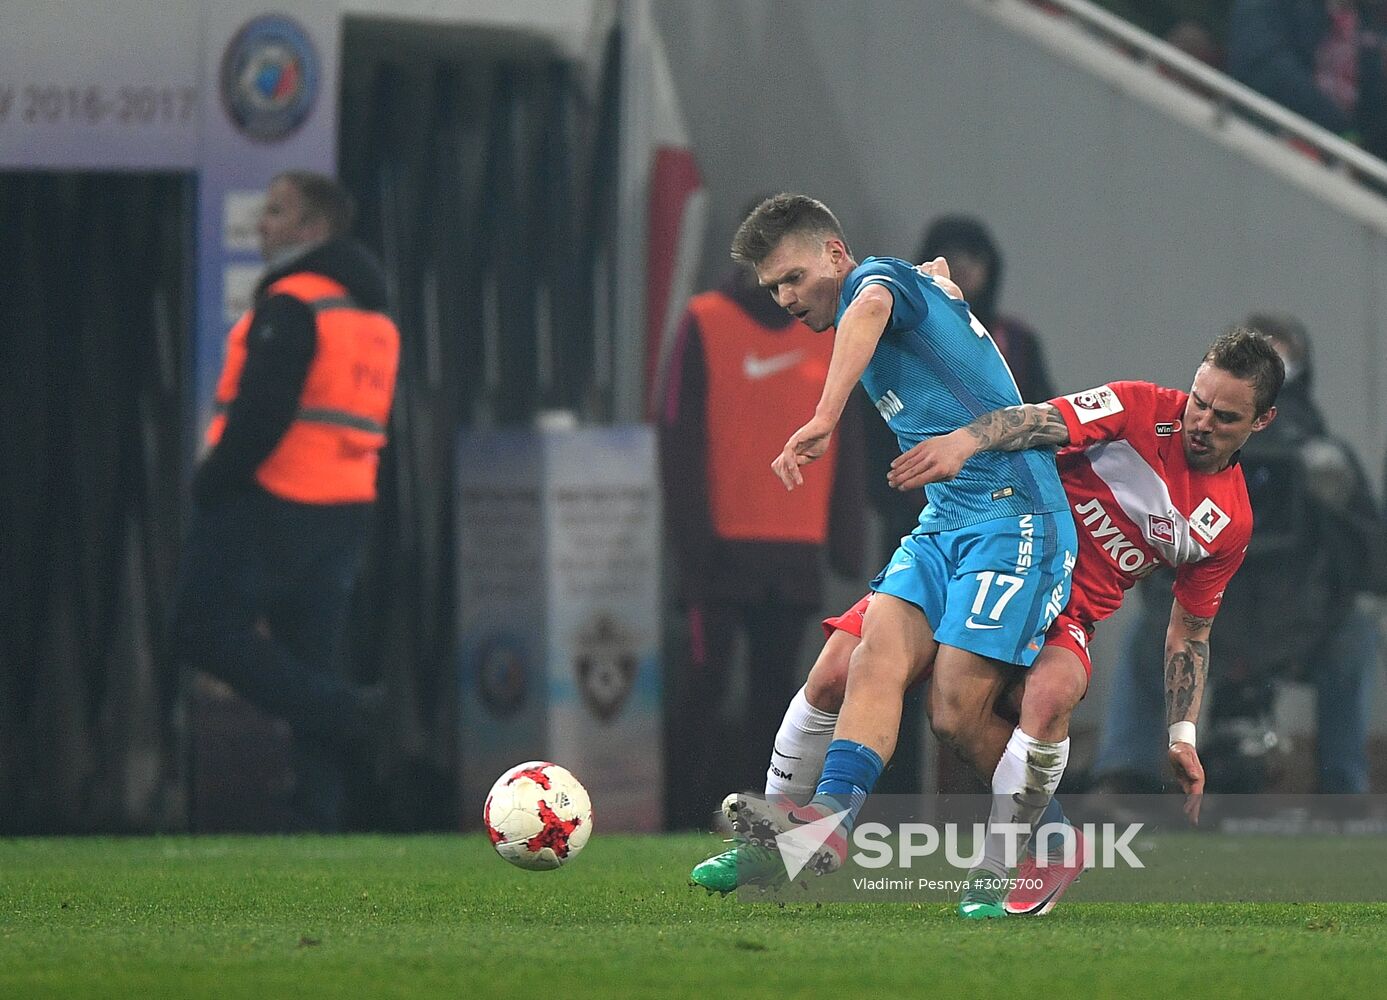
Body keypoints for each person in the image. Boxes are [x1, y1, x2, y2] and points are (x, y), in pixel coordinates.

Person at [696, 324, 1284, 917]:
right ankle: (776, 842)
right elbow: (1036, 420)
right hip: (989, 543)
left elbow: (1190, 631)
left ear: (1261, 421)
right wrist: (964, 441)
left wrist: (1182, 735)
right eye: (1199, 402)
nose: (1201, 422)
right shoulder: (1139, 408)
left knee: (1021, 701)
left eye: (1225, 417)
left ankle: (1017, 859)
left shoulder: (1228, 523)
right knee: (833, 674)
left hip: (1066, 609)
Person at [716, 194, 1078, 920]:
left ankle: (1055, 840)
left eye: (793, 278)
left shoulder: (876, 281)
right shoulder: (903, 288)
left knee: (954, 712)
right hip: (945, 522)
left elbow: (874, 301)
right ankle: (822, 822)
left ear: (835, 254)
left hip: (1015, 518)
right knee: (868, 655)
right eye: (773, 289)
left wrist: (824, 415)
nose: (786, 299)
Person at [171, 171, 399, 831]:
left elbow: (262, 413)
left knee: (199, 628)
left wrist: (212, 481)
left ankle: (347, 711)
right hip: (345, 506)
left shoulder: (294, 302)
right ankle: (318, 813)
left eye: (276, 211)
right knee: (309, 654)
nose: (261, 224)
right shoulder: (372, 315)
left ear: (313, 228)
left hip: (274, 497)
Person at [1092, 314, 1382, 794]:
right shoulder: (1187, 446)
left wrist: (1332, 503)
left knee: (1355, 635)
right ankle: (1123, 777)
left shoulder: (1327, 456)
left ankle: (1343, 790)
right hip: (1213, 617)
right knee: (1147, 634)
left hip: (1298, 623)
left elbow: (1371, 563)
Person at [657, 226, 864, 829]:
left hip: (796, 545)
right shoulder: (705, 319)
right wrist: (690, 545)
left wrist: (846, 541)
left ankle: (760, 817)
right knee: (705, 683)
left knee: (780, 696)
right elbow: (676, 436)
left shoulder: (830, 332)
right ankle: (680, 818)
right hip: (719, 549)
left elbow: (849, 437)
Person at [1227, 0, 1387, 159]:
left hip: (1337, 160)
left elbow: (1373, 115)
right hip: (1257, 141)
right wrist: (1342, 131)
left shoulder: (1367, 23)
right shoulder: (1273, 6)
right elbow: (1264, 68)